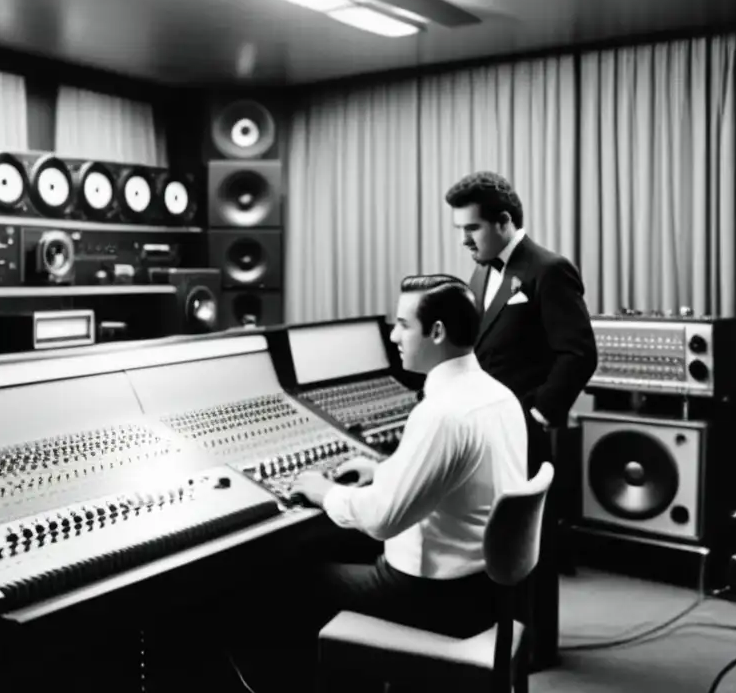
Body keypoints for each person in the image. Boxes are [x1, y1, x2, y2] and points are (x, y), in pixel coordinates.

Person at [249, 274, 529, 691]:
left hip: (438, 599)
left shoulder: (441, 413)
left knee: (287, 581)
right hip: (486, 589)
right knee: (323, 545)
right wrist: (379, 471)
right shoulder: (498, 396)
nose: (394, 335)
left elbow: (382, 519)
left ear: (437, 332)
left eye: (403, 324)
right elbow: (455, 480)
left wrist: (325, 491)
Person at [445, 170, 598, 670]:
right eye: (460, 230)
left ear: (504, 221)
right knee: (493, 547)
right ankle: (501, 645)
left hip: (524, 432)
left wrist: (535, 413)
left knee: (529, 549)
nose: (464, 240)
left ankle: (536, 651)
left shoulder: (549, 270)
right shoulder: (480, 271)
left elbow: (578, 354)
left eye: (472, 229)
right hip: (484, 432)